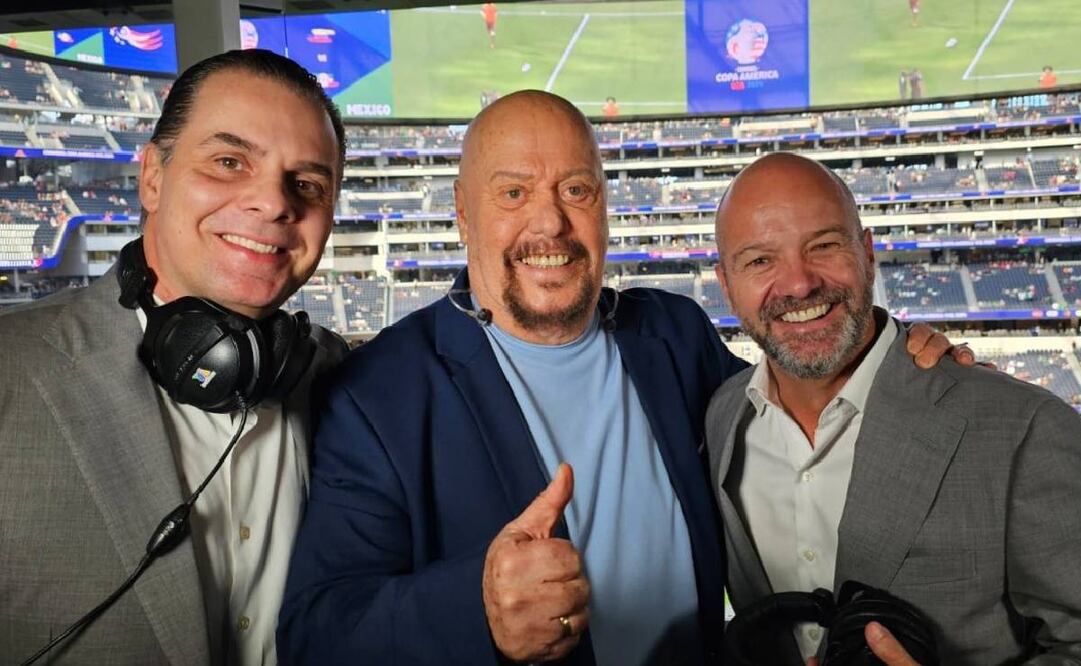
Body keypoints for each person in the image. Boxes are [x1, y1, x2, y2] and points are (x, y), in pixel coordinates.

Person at [278, 92, 961, 665]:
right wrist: (476, 608)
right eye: (513, 193)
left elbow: (798, 406)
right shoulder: (379, 394)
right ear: (462, 212)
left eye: (575, 190)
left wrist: (895, 355)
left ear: (604, 204)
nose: (550, 222)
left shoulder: (672, 334)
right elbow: (316, 631)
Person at [0, 49, 347, 665]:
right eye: (229, 162)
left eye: (308, 185)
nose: (273, 203)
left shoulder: (336, 375)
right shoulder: (12, 368)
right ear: (152, 178)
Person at [706, 153, 1081, 664]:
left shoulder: (1024, 429)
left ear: (867, 253)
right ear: (726, 286)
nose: (799, 284)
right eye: (759, 261)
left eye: (824, 246)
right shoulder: (722, 418)